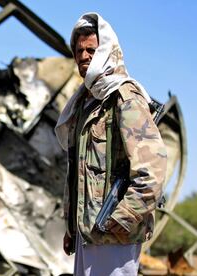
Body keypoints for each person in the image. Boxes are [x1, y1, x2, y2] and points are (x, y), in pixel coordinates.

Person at [55, 13, 167, 276]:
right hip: (88, 234)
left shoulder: (125, 98)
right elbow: (78, 175)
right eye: (79, 50)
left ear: (105, 52)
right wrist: (72, 228)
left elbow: (152, 170)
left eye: (91, 50)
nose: (83, 56)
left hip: (115, 236)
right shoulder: (83, 104)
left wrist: (121, 219)